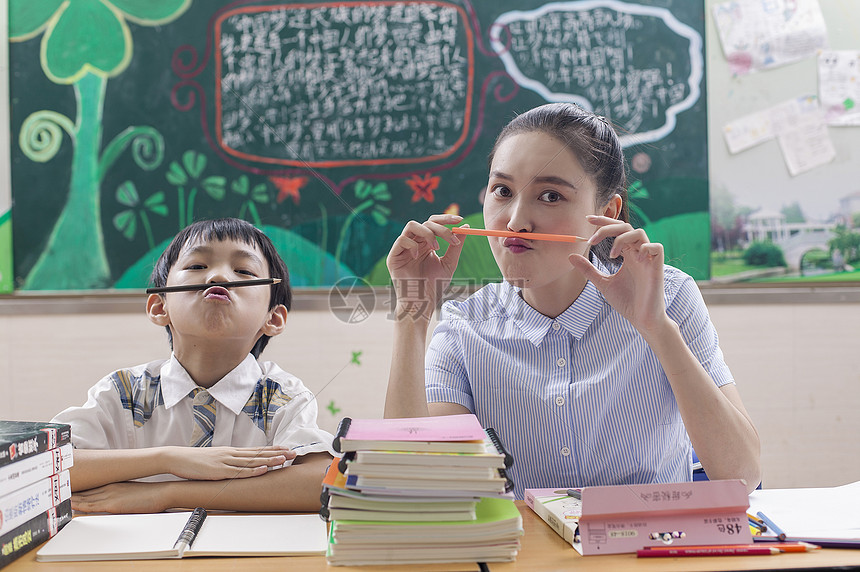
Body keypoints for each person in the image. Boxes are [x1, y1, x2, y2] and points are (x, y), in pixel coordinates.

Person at [384, 103, 761, 498]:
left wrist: (657, 329)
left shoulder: (669, 297)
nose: (515, 221)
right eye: (502, 191)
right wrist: (414, 313)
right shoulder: (463, 327)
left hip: (651, 556)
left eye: (550, 195)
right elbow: (411, 486)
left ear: (607, 211)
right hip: (530, 559)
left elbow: (741, 474)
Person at [53, 218, 334, 513]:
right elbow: (45, 466)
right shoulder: (123, 392)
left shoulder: (281, 396)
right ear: (159, 306)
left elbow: (323, 480)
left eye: (244, 271)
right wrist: (168, 459)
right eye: (197, 266)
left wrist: (168, 494)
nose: (219, 277)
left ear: (273, 319)